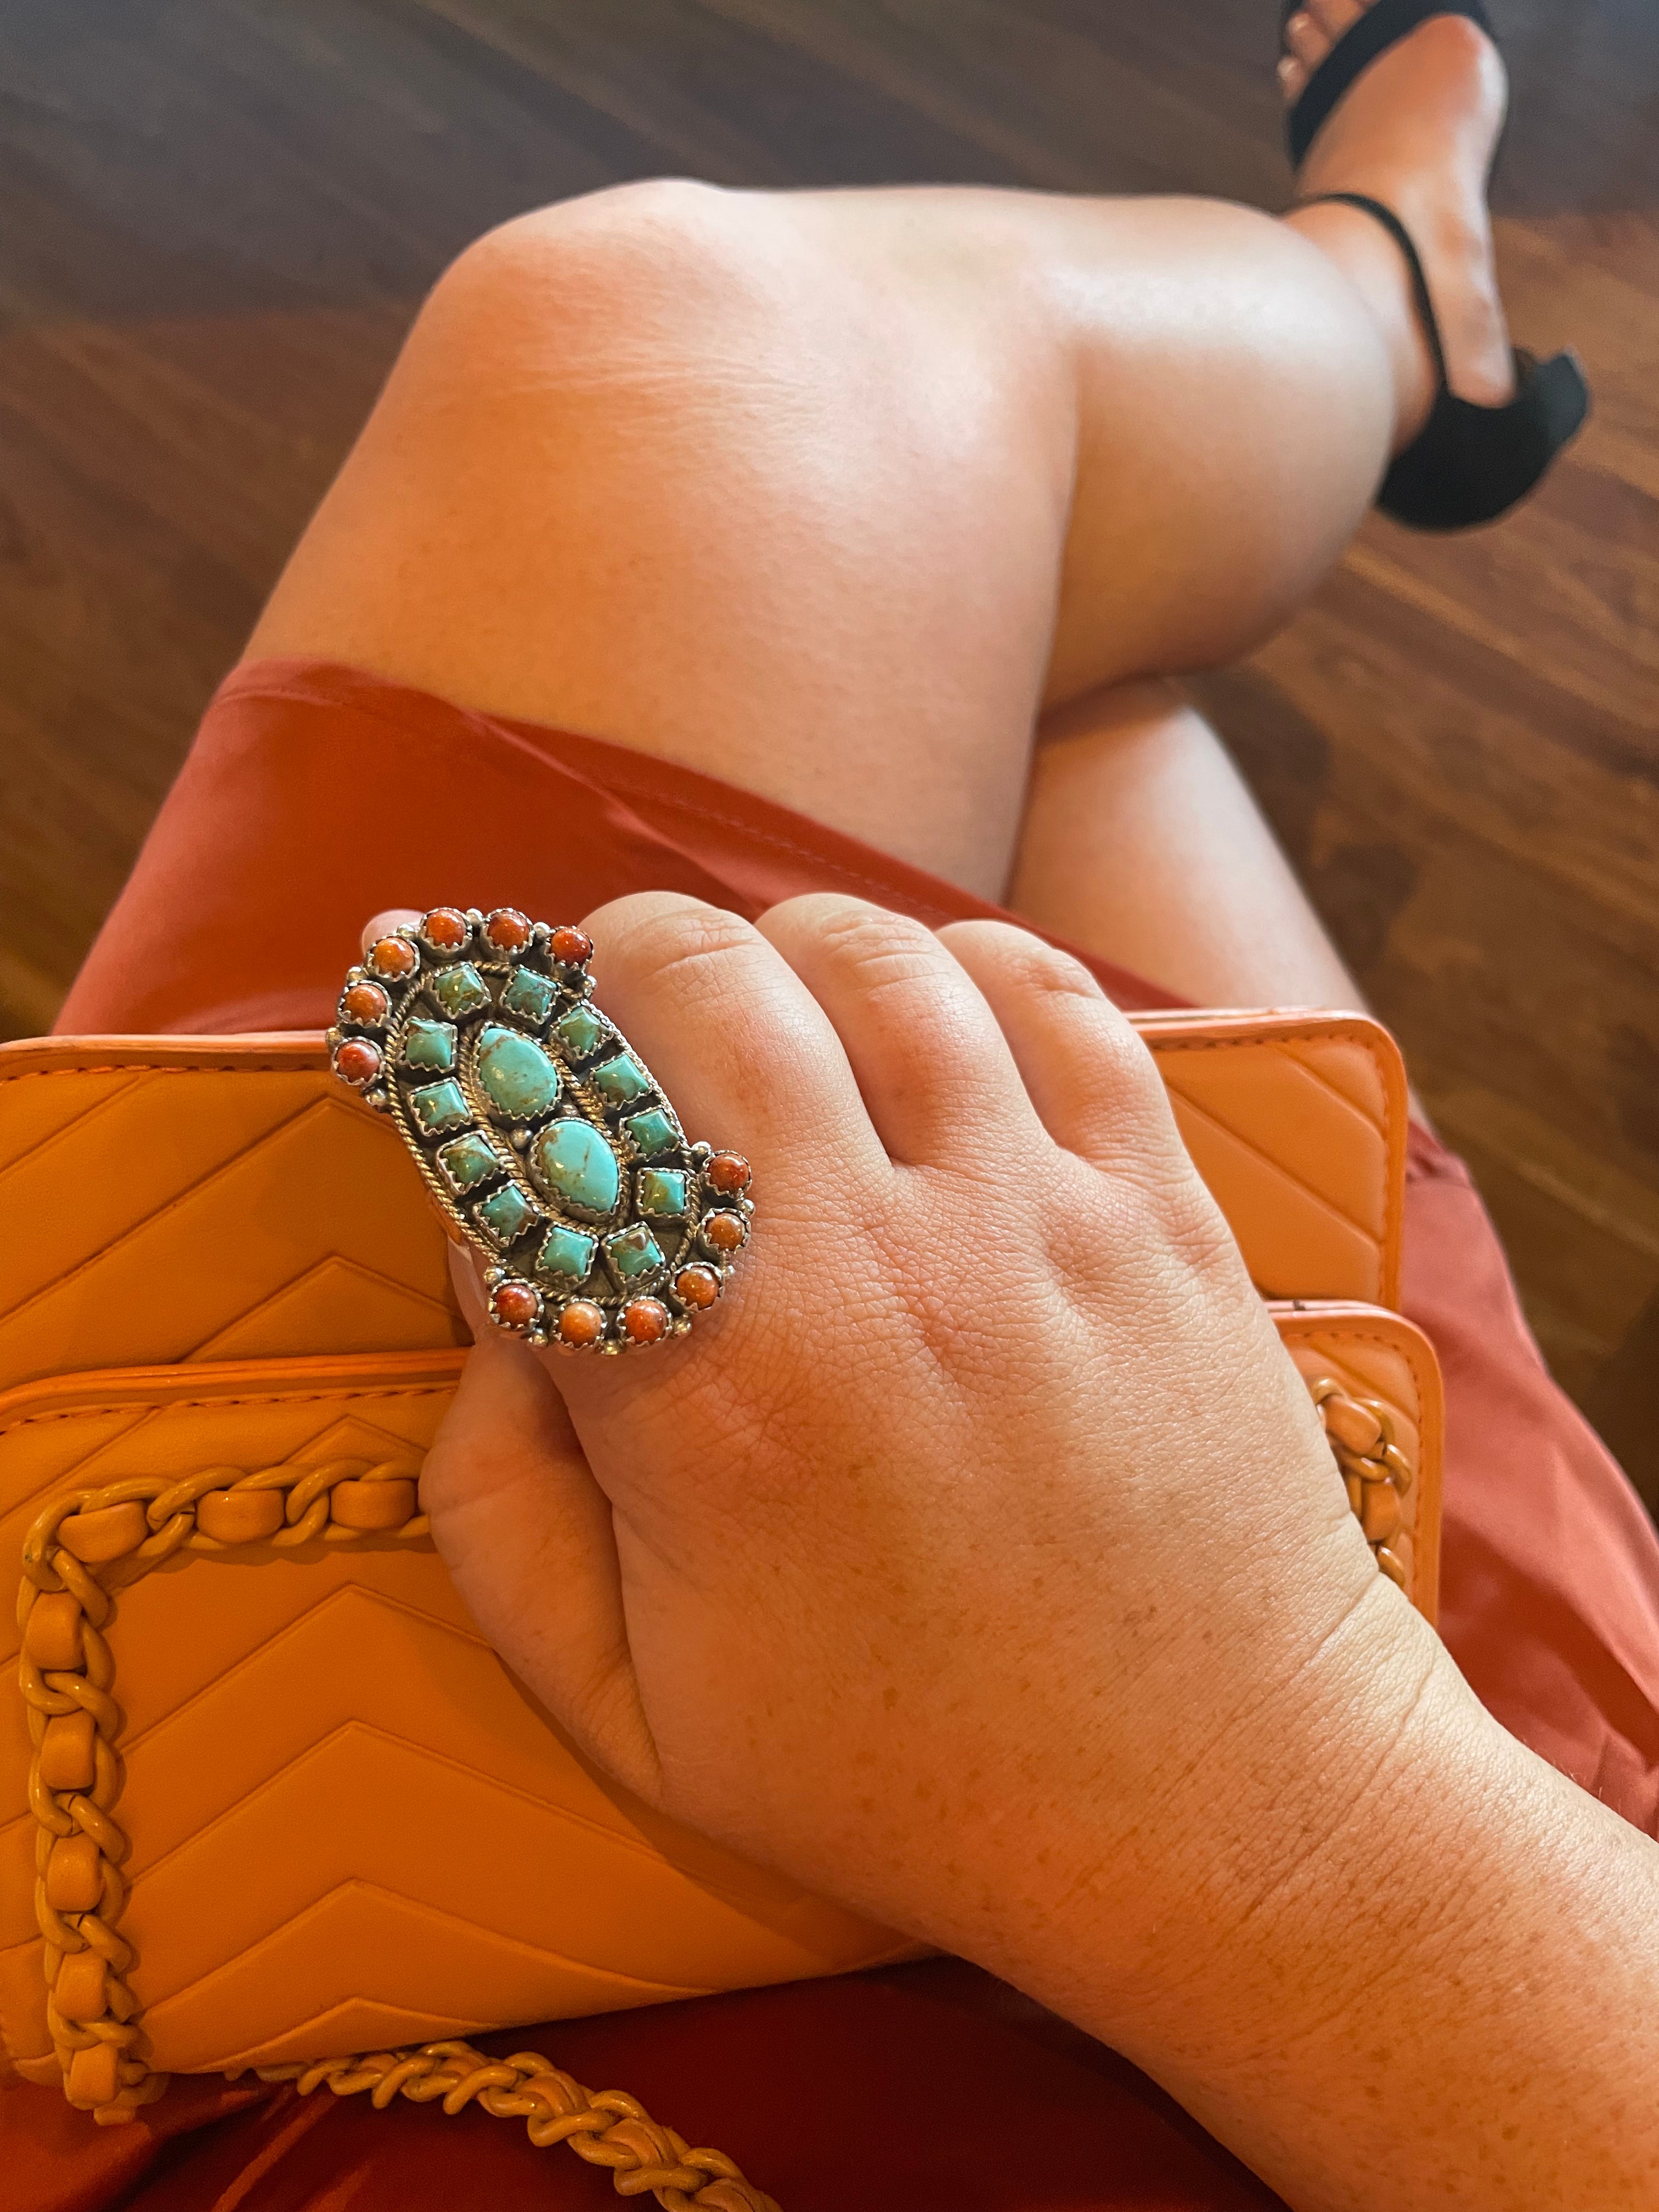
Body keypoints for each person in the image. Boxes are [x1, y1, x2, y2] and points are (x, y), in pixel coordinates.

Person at [25, 1, 1658, 2206]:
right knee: (983, 614)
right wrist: (1294, 1801)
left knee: (683, 364)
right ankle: (1384, 294)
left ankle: (1373, 295)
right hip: (1440, 1946)